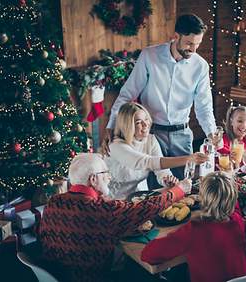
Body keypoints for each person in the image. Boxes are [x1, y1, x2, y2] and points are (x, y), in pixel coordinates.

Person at [39, 153, 191, 282]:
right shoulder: (101, 210)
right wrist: (179, 190)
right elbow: (143, 209)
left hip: (56, 276)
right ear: (93, 179)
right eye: (106, 173)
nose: (109, 178)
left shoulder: (53, 202)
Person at [102, 14, 217, 179]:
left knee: (183, 185)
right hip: (152, 134)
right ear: (176, 36)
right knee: (156, 189)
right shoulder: (150, 56)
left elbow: (204, 107)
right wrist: (111, 125)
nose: (193, 49)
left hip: (182, 135)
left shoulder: (200, 66)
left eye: (197, 44)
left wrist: (211, 133)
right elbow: (128, 94)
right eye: (189, 43)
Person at [141, 171, 246, 282]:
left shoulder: (194, 231)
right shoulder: (237, 220)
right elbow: (234, 207)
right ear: (233, 197)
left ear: (202, 198)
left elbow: (147, 255)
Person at [104, 102, 208, 199]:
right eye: (138, 122)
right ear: (127, 126)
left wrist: (166, 180)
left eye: (146, 119)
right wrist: (189, 159)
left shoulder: (150, 140)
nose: (145, 125)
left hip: (136, 198)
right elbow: (146, 162)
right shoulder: (115, 146)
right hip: (111, 199)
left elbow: (161, 170)